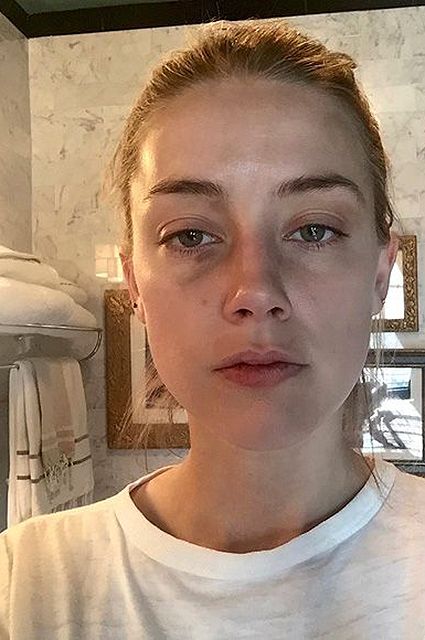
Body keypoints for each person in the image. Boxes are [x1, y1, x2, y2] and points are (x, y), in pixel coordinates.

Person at [1, 17, 424, 640]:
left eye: (313, 230)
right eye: (191, 236)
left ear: (381, 273)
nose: (255, 292)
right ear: (134, 285)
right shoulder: (26, 584)